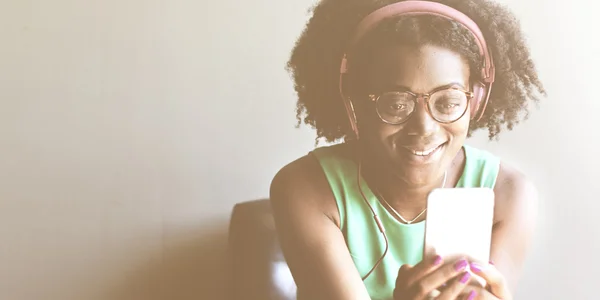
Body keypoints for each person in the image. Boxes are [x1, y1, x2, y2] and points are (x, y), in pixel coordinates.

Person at [269, 0, 546, 299]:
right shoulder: (305, 189)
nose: (424, 128)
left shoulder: (507, 195)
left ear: (475, 102)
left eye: (448, 102)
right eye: (396, 103)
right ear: (354, 105)